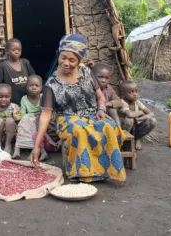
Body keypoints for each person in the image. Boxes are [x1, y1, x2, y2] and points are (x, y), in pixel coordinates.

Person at [30, 34, 127, 183]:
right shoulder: (51, 83)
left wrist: (101, 109)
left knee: (109, 127)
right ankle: (84, 173)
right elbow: (45, 114)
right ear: (58, 55)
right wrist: (36, 146)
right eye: (63, 58)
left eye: (72, 60)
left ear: (79, 60)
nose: (66, 63)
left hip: (92, 115)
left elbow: (100, 97)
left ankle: (104, 171)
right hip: (67, 119)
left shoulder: (87, 73)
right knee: (79, 130)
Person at [0, 38, 36, 104]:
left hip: (28, 101)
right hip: (12, 103)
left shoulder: (25, 63)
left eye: (19, 50)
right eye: (14, 50)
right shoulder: (3, 66)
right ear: (7, 51)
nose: (17, 52)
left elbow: (33, 78)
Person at [13, 75, 45, 159]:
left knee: (35, 126)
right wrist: (33, 116)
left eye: (36, 86)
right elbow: (23, 114)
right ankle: (17, 149)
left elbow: (44, 112)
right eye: (31, 85)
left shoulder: (43, 97)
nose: (34, 88)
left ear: (41, 88)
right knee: (22, 125)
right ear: (26, 87)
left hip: (39, 120)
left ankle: (33, 151)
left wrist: (35, 116)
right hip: (27, 120)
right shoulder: (24, 99)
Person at [119, 81, 157, 150]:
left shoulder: (136, 102)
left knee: (152, 121)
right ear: (123, 95)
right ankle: (124, 141)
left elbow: (151, 113)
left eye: (136, 91)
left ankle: (136, 139)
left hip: (135, 127)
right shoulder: (122, 102)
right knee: (129, 120)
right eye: (131, 92)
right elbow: (129, 114)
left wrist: (139, 119)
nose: (135, 94)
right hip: (124, 129)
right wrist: (140, 112)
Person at [0, 84, 22, 155]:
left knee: (10, 120)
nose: (4, 99)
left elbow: (19, 122)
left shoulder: (14, 107)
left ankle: (8, 145)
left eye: (6, 97)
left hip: (11, 135)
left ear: (10, 96)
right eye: (0, 97)